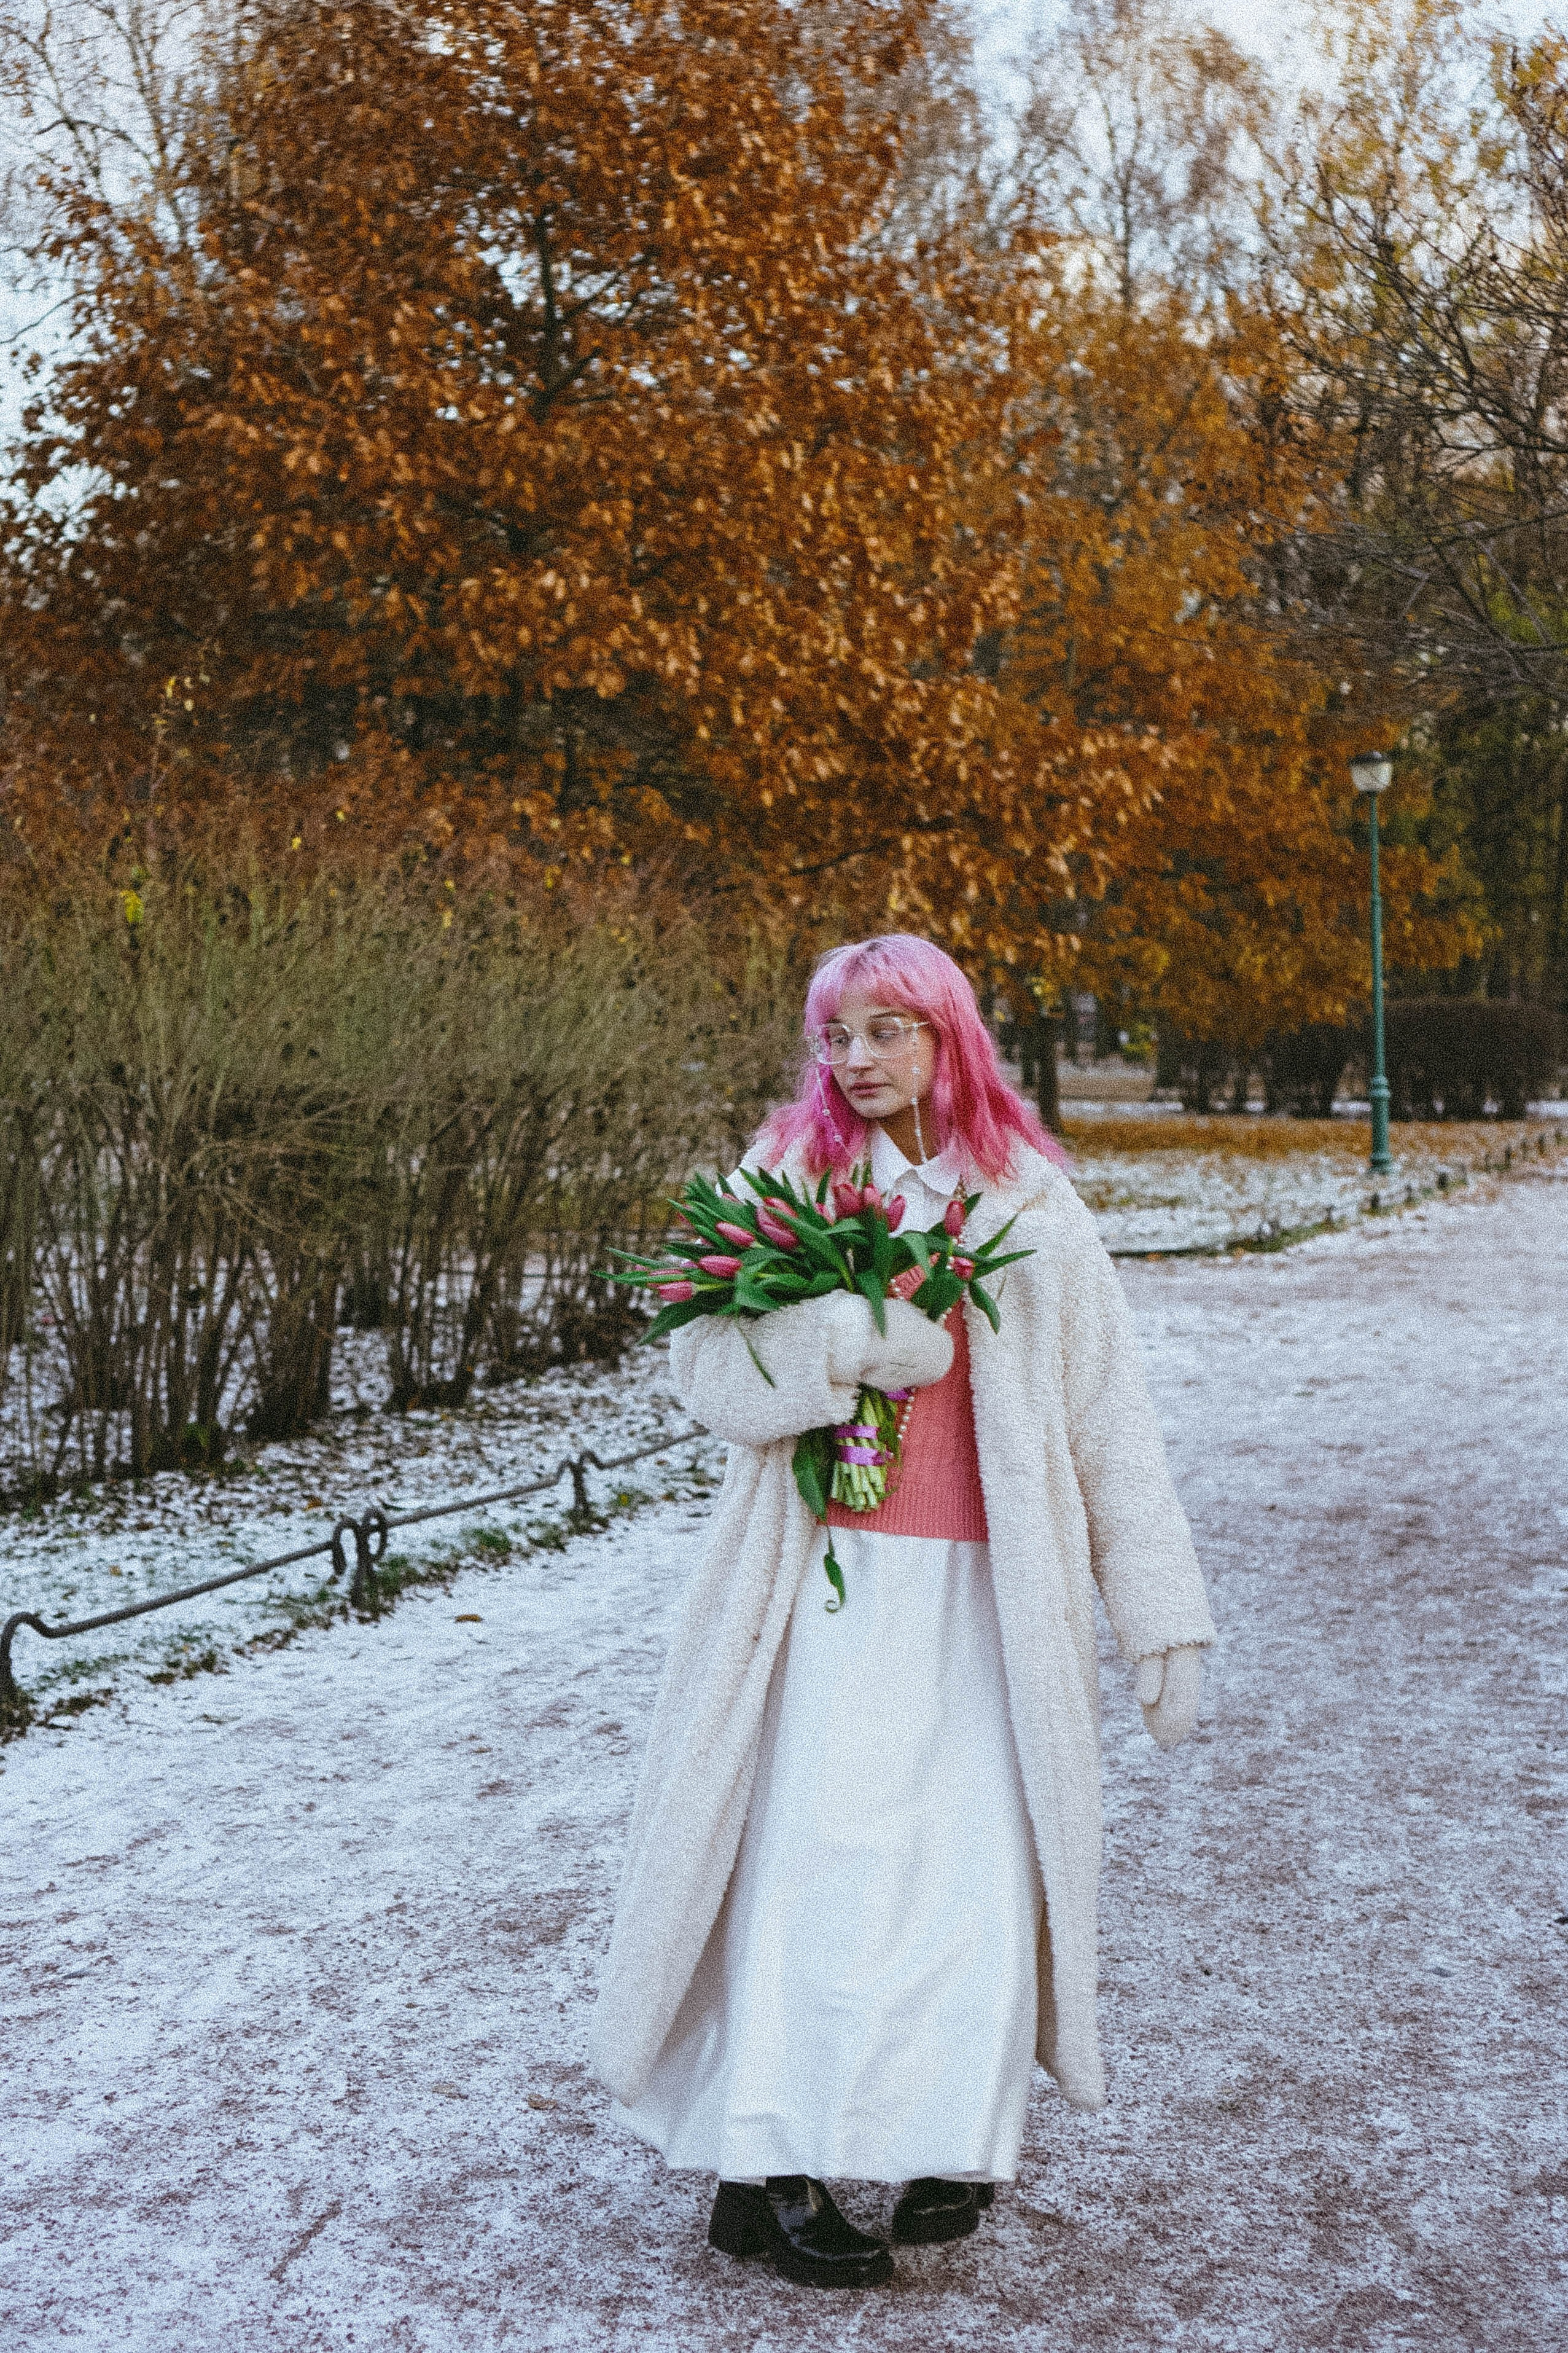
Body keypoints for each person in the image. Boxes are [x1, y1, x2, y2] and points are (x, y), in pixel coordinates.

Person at [590, 934, 1215, 2288]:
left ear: (948, 1037)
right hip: (821, 1591)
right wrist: (847, 1340)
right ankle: (769, 2159)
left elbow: (1106, 1416)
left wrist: (1157, 1610)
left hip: (993, 1600)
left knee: (968, 1878)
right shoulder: (789, 1180)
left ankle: (946, 2140)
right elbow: (704, 1367)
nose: (857, 1061)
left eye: (887, 1031)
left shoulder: (1028, 1203)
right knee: (814, 1868)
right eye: (836, 1036)